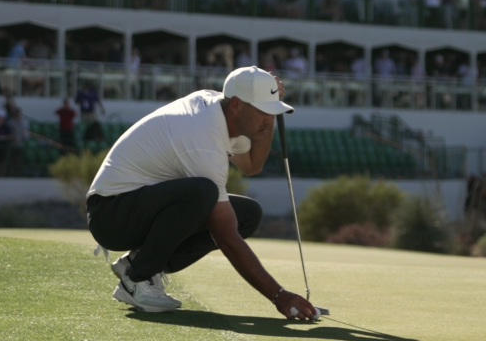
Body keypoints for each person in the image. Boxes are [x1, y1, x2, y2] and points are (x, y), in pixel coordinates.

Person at [86, 66, 318, 319]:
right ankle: (138, 278)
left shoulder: (219, 111)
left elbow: (251, 164)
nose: (269, 118)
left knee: (248, 214)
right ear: (237, 105)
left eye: (273, 112)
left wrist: (269, 110)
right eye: (263, 111)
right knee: (203, 193)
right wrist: (278, 295)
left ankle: (137, 265)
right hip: (110, 215)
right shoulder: (202, 136)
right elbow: (226, 236)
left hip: (135, 206)